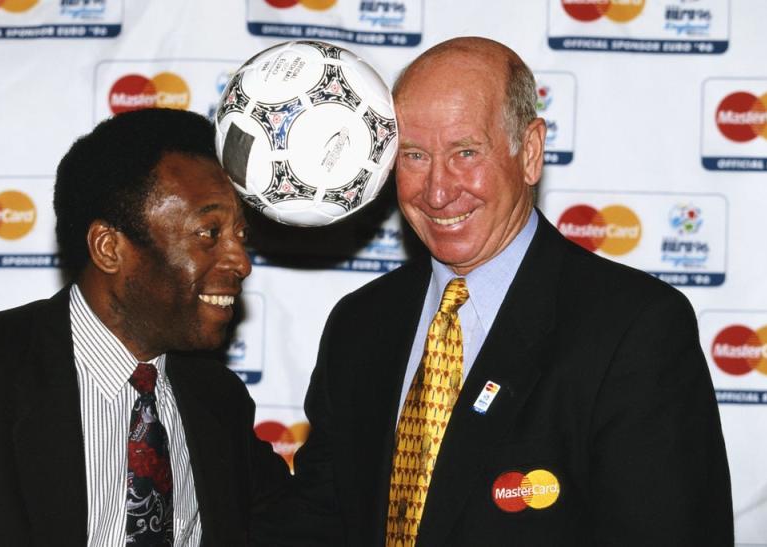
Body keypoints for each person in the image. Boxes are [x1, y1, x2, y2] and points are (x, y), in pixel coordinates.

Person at [288, 37, 734, 546]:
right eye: (414, 155)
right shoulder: (359, 324)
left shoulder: (633, 330)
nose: (437, 191)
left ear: (531, 152)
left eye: (465, 152)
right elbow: (318, 522)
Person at [0, 108, 290, 546]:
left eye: (241, 235)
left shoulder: (217, 398)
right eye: (210, 234)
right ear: (108, 248)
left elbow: (296, 524)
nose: (241, 261)